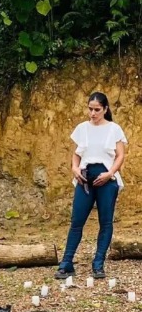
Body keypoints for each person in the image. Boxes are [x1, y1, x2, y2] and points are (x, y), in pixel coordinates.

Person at [55, 92, 127, 280]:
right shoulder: (82, 128)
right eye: (90, 109)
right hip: (84, 178)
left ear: (105, 109)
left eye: (97, 110)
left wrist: (110, 173)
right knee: (77, 220)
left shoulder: (114, 129)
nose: (93, 113)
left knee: (105, 221)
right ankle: (66, 263)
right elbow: (77, 153)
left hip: (106, 179)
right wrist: (74, 168)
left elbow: (120, 155)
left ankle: (98, 264)